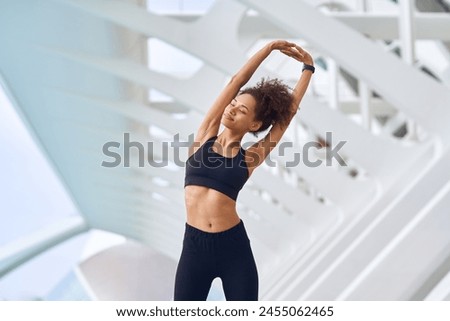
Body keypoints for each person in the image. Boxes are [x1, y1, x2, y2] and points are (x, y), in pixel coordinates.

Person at [173, 40, 314, 301]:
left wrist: (308, 68)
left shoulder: (250, 158)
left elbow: (287, 116)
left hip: (233, 250)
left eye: (243, 110)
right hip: (194, 249)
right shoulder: (205, 135)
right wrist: (268, 49)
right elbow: (236, 82)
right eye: (234, 104)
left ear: (255, 123)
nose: (233, 108)